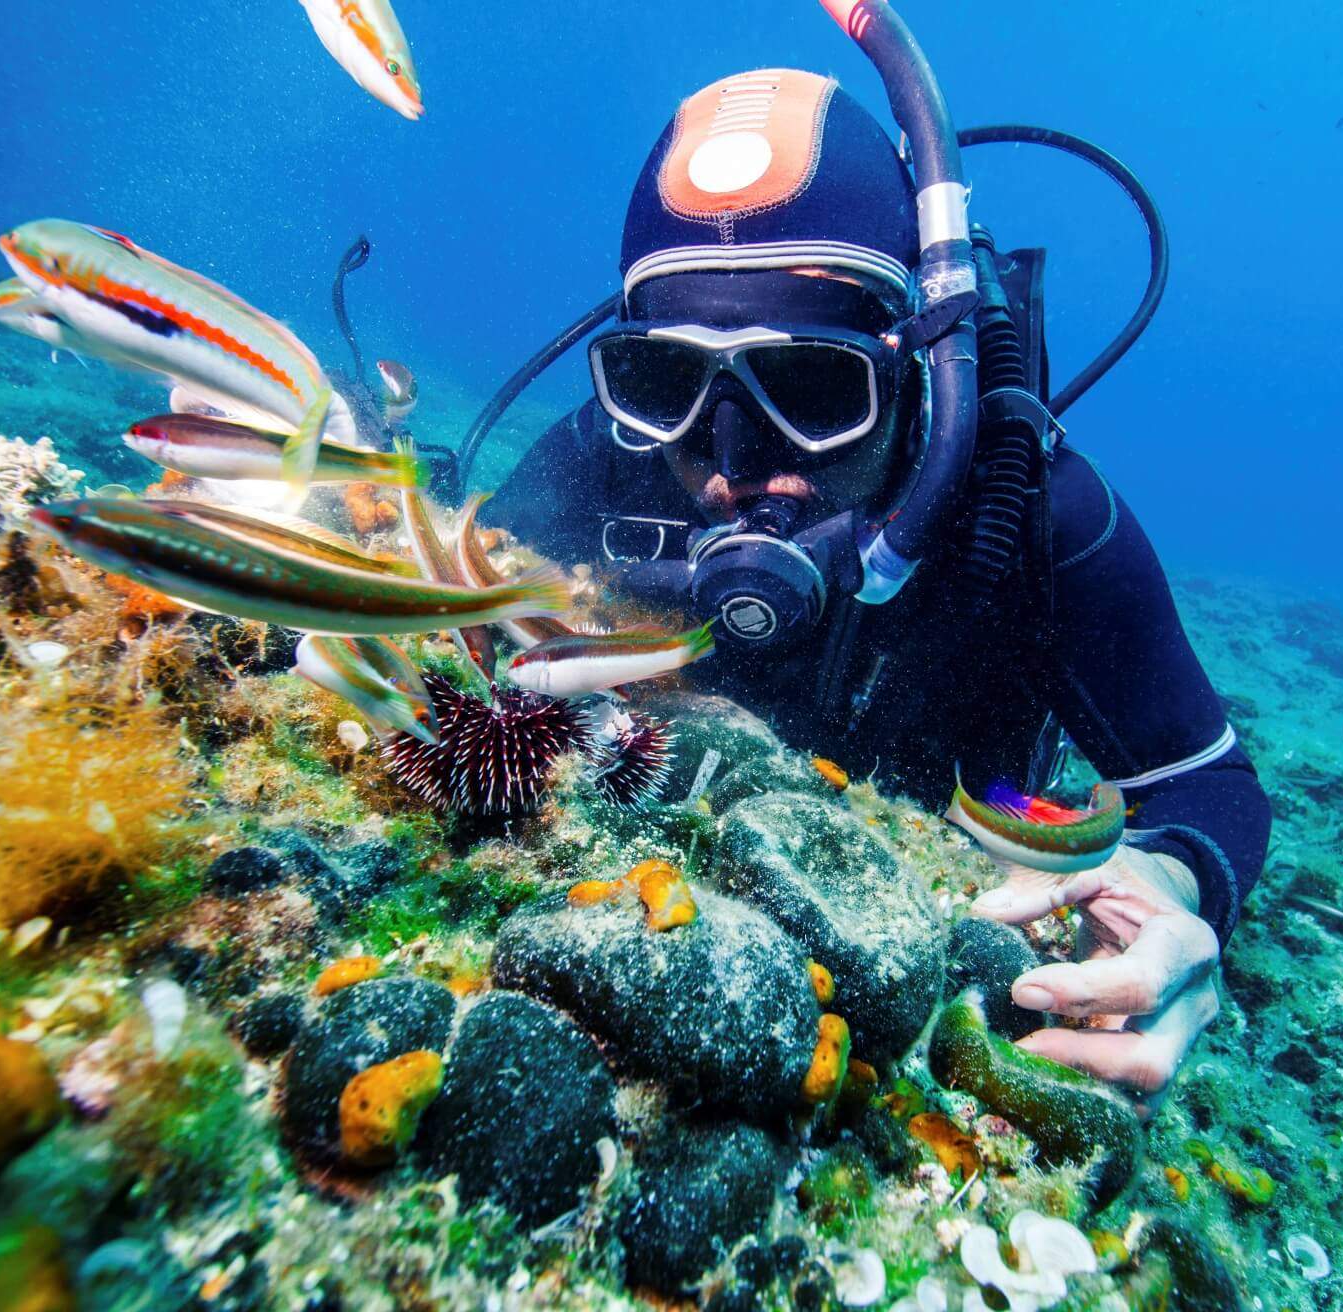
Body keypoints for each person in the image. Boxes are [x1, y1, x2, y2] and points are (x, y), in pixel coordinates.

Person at [487, 68, 1270, 1112]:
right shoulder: (611, 449)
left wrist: (1167, 885)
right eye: (667, 380)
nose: (728, 463)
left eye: (812, 387)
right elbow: (460, 586)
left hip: (972, 817)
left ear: (919, 370)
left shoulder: (1036, 509)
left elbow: (1206, 786)